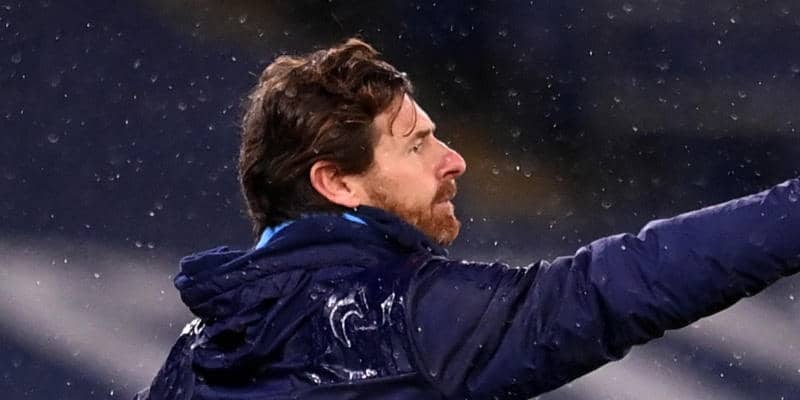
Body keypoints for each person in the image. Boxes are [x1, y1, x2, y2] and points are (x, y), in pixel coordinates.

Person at [135, 38, 800, 400]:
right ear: (336, 182)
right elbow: (619, 286)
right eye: (417, 145)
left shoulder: (195, 357)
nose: (454, 161)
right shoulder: (399, 319)